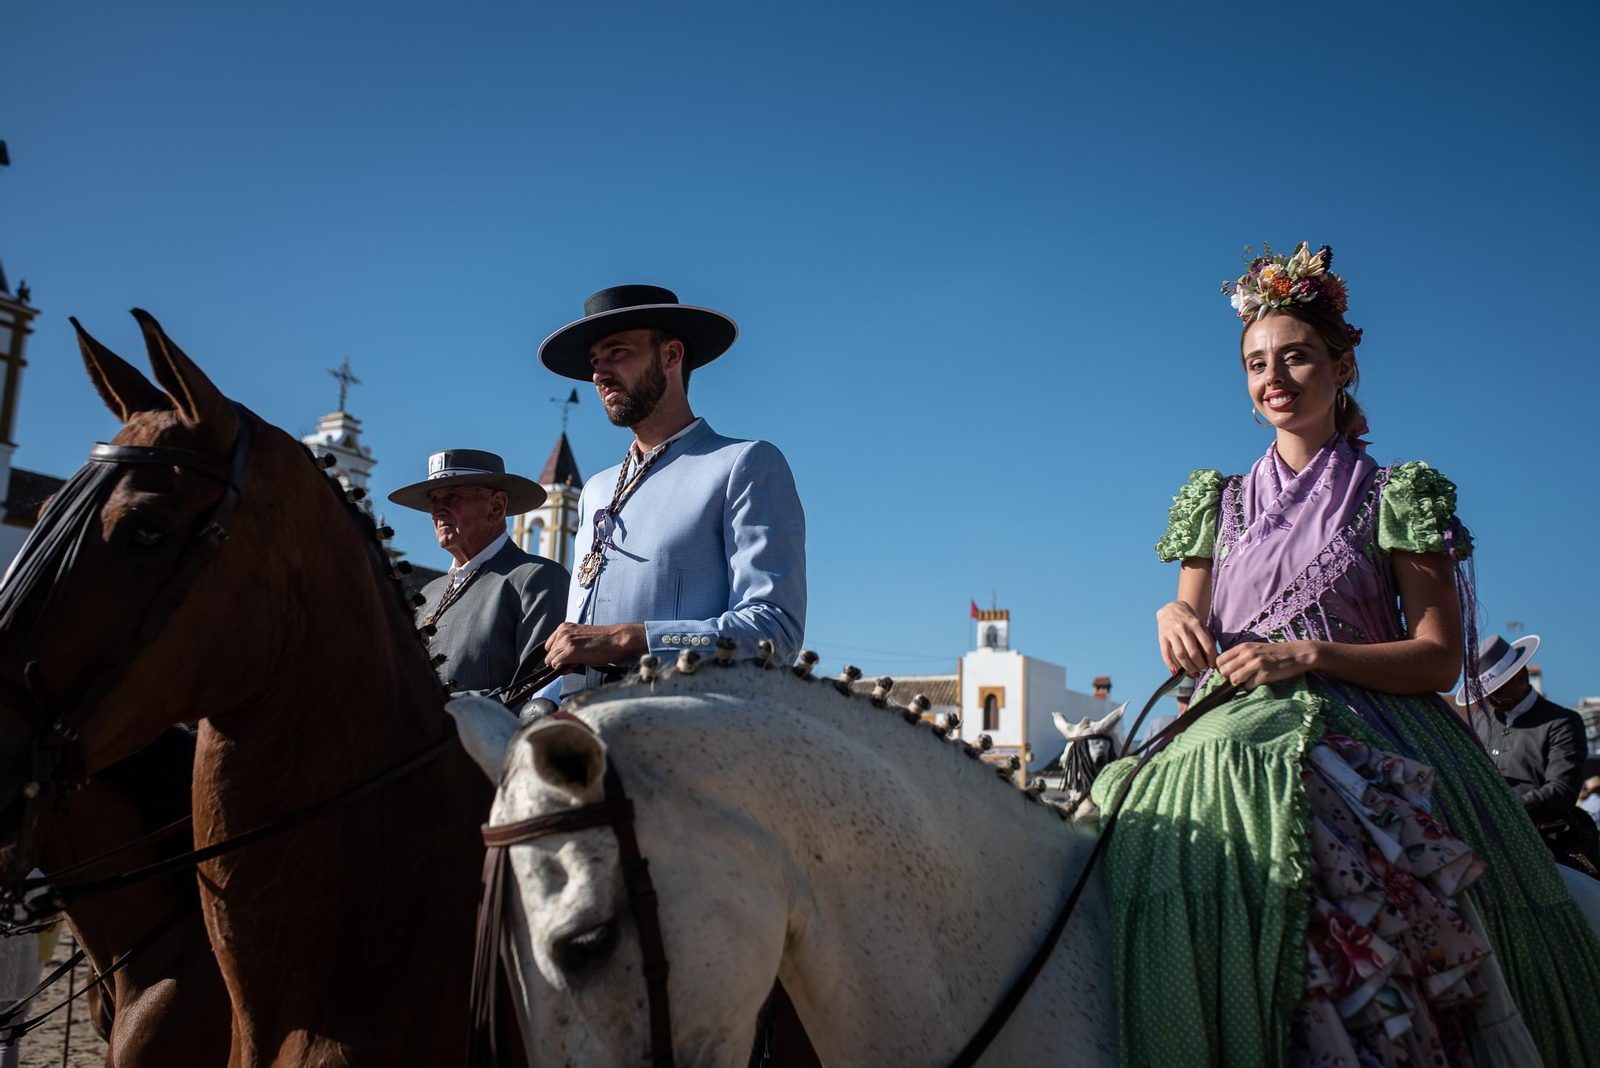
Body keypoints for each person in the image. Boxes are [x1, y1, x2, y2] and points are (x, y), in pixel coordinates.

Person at [1091, 242, 1600, 1067]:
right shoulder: (1212, 504)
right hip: (1224, 723)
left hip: (1369, 725)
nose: (1274, 378)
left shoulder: (1397, 492)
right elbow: (1190, 613)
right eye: (1256, 363)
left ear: (1343, 365)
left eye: (1295, 355)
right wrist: (1172, 618)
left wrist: (1308, 654)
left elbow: (1438, 659)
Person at [534, 285, 806, 692]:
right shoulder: (596, 489)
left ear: (671, 356)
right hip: (578, 728)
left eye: (617, 352)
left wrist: (633, 640)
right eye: (594, 360)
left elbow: (773, 631)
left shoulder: (744, 464)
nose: (598, 374)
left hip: (680, 731)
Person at [387, 449, 569, 693]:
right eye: (434, 500)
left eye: (453, 496)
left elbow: (537, 692)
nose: (438, 511)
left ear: (496, 506)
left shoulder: (535, 578)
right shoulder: (429, 594)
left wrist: (445, 713)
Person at [1462, 634, 1598, 875]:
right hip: (1485, 835)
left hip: (1544, 839)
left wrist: (1504, 809)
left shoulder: (1562, 722)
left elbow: (1561, 791)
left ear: (1521, 678)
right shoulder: (1480, 722)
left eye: (1496, 690)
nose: (1490, 699)